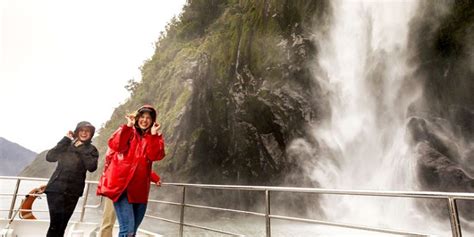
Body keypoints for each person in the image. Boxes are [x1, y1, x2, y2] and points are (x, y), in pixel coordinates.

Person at [97, 105, 165, 237]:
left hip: (140, 190)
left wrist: (154, 136)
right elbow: (116, 145)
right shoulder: (128, 132)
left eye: (148, 118)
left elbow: (155, 156)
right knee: (127, 231)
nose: (145, 120)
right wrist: (128, 126)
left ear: (152, 121)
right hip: (122, 188)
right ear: (137, 118)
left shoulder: (154, 137)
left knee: (132, 231)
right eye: (142, 117)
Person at [44, 121, 99, 237]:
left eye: (87, 131)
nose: (84, 133)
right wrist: (65, 139)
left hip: (73, 192)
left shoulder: (92, 150)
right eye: (81, 130)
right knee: (55, 224)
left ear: (91, 134)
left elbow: (92, 167)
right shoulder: (66, 145)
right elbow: (50, 157)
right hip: (56, 189)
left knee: (63, 224)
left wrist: (82, 148)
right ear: (77, 132)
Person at [98, 172, 161, 237]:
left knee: (129, 228)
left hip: (130, 190)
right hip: (116, 187)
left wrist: (154, 178)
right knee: (110, 220)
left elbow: (138, 166)